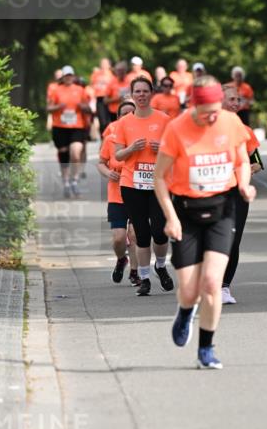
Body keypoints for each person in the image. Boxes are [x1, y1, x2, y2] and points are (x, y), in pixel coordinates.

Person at [153, 75, 256, 369]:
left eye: (216, 109)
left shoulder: (230, 123)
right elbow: (160, 177)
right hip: (186, 213)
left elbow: (242, 161)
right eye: (206, 110)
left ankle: (206, 349)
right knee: (189, 291)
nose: (213, 116)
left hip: (222, 211)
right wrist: (170, 217)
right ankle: (185, 312)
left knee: (212, 282)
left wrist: (244, 185)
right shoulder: (176, 129)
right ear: (194, 105)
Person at [113, 77, 173, 296]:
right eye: (137, 91)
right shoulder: (124, 123)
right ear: (132, 94)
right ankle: (145, 278)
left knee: (159, 231)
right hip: (132, 183)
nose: (141, 95)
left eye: (145, 91)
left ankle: (161, 265)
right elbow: (117, 154)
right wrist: (131, 149)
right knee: (141, 232)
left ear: (151, 93)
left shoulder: (165, 119)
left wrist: (163, 148)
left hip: (158, 183)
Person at [220, 92, 264, 305]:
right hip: (211, 191)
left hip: (237, 192)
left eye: (238, 100)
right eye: (231, 99)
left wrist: (244, 168)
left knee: (233, 239)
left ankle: (225, 287)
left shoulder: (245, 131)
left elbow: (257, 162)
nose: (235, 103)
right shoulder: (207, 128)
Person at [97, 98, 140, 285]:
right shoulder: (111, 139)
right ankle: (122, 258)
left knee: (135, 235)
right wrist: (108, 173)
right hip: (117, 195)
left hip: (138, 193)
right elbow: (101, 163)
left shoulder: (143, 140)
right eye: (124, 113)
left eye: (132, 112)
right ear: (118, 118)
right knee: (119, 238)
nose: (128, 116)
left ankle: (135, 272)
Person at [47, 66, 92, 197]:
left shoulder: (80, 90)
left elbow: (88, 108)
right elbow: (49, 108)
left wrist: (82, 107)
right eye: (66, 76)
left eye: (70, 75)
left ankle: (75, 180)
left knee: (76, 153)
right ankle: (66, 181)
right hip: (60, 127)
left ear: (73, 77)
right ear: (63, 77)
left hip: (77, 126)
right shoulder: (56, 90)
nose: (68, 78)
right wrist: (58, 107)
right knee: (64, 154)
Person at [91, 58, 113, 135]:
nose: (103, 65)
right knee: (102, 121)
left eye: (105, 63)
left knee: (110, 120)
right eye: (102, 63)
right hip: (100, 98)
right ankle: (103, 138)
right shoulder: (96, 74)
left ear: (109, 65)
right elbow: (92, 86)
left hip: (110, 99)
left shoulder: (112, 74)